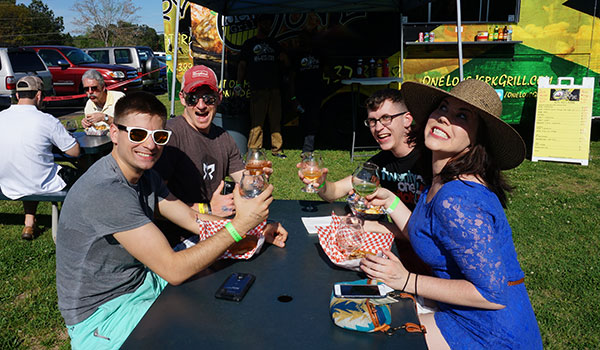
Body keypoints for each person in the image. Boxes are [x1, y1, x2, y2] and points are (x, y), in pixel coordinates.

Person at [55, 91, 287, 349]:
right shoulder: (106, 191)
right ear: (114, 133)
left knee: (227, 307)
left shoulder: (145, 176)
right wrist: (239, 226)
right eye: (138, 134)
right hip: (103, 316)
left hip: (142, 284)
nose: (150, 145)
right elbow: (173, 269)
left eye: (159, 136)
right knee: (212, 334)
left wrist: (252, 233)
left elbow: (192, 218)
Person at [360, 79, 542, 349]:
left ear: (476, 138)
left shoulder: (457, 199)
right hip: (460, 311)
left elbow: (491, 294)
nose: (444, 117)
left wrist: (406, 280)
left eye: (461, 116)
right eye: (442, 107)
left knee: (376, 340)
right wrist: (390, 200)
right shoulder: (441, 179)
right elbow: (424, 234)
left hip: (490, 331)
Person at [154, 65, 272, 221]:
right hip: (180, 237)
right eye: (193, 98)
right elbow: (154, 203)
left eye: (208, 98)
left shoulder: (223, 137)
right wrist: (207, 209)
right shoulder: (170, 136)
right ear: (182, 98)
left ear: (219, 98)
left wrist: (258, 181)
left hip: (215, 227)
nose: (201, 105)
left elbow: (244, 180)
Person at [0, 76, 80, 240]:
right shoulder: (46, 120)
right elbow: (74, 152)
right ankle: (71, 225)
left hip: (7, 181)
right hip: (38, 182)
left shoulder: (1, 116)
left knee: (30, 168)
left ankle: (29, 223)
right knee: (78, 175)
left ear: (17, 96)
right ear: (39, 95)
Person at [237, 14, 289, 159]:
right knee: (257, 122)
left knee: (276, 120)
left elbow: (285, 61)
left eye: (269, 23)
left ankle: (277, 149)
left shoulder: (274, 43)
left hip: (275, 87)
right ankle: (254, 150)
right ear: (258, 24)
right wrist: (239, 84)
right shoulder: (249, 44)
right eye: (265, 22)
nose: (268, 25)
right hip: (257, 88)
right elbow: (242, 65)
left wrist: (285, 60)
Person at [290, 29, 326, 152]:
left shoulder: (319, 54)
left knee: (313, 119)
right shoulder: (296, 55)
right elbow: (292, 77)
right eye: (301, 39)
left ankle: (307, 148)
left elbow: (326, 69)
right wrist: (293, 97)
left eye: (306, 38)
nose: (303, 41)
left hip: (316, 92)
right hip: (301, 93)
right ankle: (304, 143)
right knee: (304, 119)